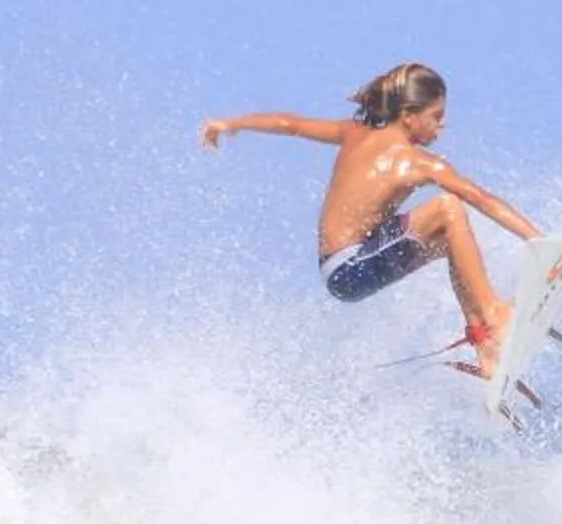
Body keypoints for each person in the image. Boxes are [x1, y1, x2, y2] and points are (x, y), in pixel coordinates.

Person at [200, 62, 542, 376]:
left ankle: (485, 345)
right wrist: (537, 241)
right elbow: (478, 196)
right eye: (436, 116)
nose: (443, 124)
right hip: (352, 266)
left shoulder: (355, 132)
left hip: (338, 269)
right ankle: (494, 314)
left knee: (448, 239)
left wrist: (231, 123)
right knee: (448, 208)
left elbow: (290, 125)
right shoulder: (418, 163)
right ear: (409, 116)